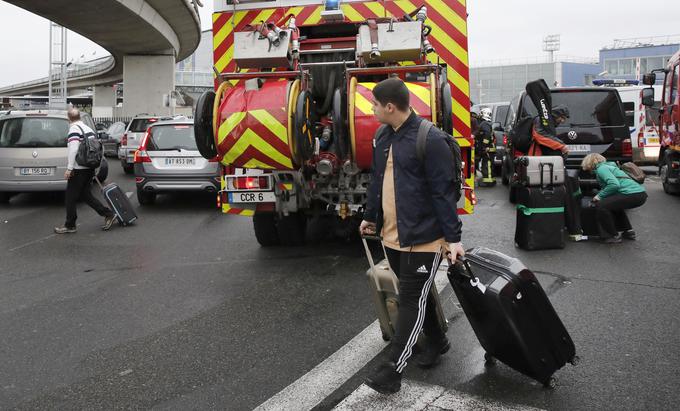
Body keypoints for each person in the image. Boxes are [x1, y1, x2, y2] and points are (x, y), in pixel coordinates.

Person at [359, 78, 465, 395]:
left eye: (375, 104)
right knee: (416, 295)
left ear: (390, 106)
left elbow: (443, 193)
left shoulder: (430, 140)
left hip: (426, 237)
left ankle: (393, 369)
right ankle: (438, 341)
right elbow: (378, 181)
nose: (372, 108)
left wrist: (453, 239)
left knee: (410, 300)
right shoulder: (382, 136)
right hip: (392, 235)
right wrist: (369, 216)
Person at [54, 108, 116, 234]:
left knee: (70, 198)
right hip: (89, 167)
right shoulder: (88, 129)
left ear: (69, 118)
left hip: (79, 168)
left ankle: (70, 225)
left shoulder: (74, 129)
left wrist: (69, 168)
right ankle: (108, 214)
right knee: (86, 195)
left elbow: (73, 149)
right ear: (79, 117)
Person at [580, 153, 647, 244]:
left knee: (602, 206)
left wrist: (599, 196)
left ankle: (612, 235)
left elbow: (614, 185)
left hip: (632, 194)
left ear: (589, 162)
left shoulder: (602, 169)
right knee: (613, 205)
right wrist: (602, 195)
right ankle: (628, 231)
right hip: (639, 194)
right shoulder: (609, 167)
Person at [475, 107, 496, 186]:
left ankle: (488, 182)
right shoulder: (487, 123)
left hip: (487, 149)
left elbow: (486, 135)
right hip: (489, 148)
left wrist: (484, 146)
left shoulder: (484, 124)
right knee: (489, 165)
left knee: (487, 166)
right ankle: (492, 180)